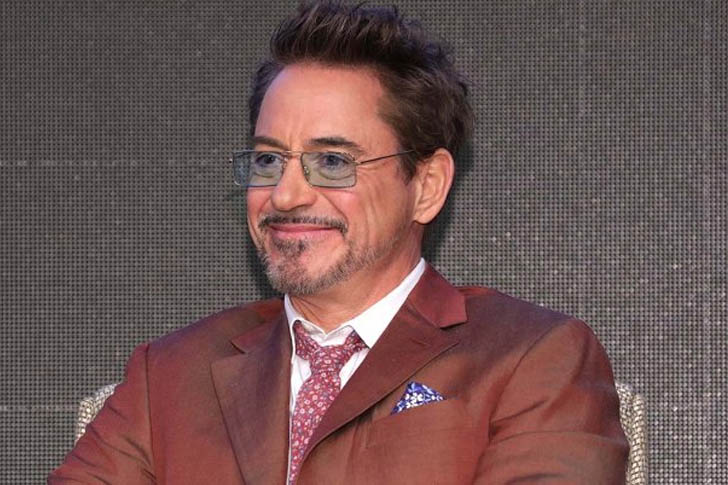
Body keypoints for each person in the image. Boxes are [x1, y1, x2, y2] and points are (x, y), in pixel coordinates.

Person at [49, 1, 629, 483]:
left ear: (426, 186)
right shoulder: (171, 375)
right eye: (269, 160)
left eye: (331, 162)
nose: (285, 195)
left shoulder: (532, 358)